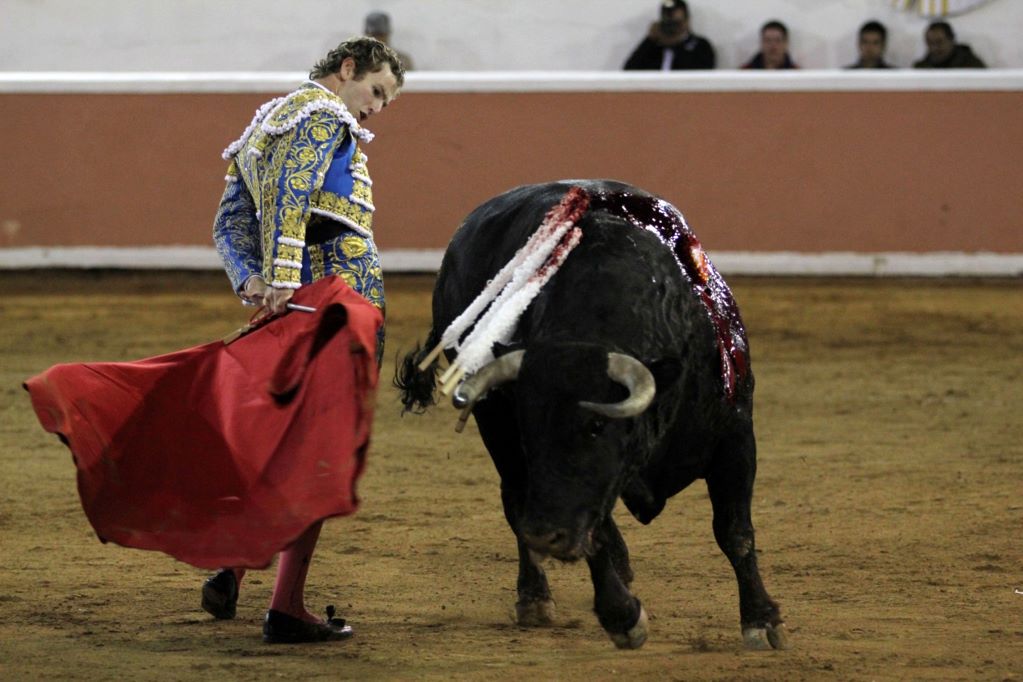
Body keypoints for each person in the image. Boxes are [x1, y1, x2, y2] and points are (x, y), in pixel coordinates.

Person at [207, 35, 404, 643]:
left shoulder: (263, 127)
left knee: (277, 440)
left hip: (292, 305)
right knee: (322, 450)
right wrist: (286, 286)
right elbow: (294, 195)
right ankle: (286, 606)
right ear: (347, 69)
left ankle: (238, 564)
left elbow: (229, 222)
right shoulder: (323, 117)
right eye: (376, 91)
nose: (376, 108)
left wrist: (255, 281)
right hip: (338, 301)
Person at [623, 0, 715, 71]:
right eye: (668, 22)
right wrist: (649, 40)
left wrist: (677, 44)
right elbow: (629, 71)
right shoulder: (654, 46)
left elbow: (703, 73)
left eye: (676, 22)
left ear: (687, 21)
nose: (672, 27)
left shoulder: (701, 46)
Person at [913, 20, 986, 68]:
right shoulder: (921, 68)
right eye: (930, 43)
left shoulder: (971, 65)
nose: (934, 47)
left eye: (939, 42)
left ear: (951, 40)